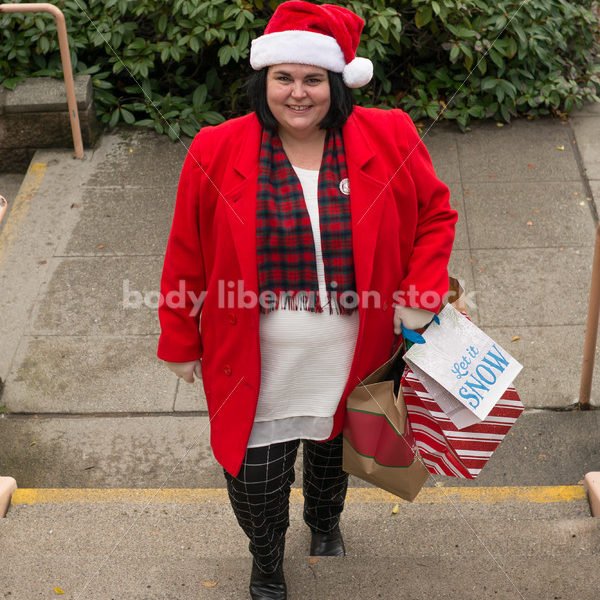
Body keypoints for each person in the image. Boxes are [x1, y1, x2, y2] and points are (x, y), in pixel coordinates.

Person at [157, 2, 457, 598]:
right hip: (255, 363)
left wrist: (422, 294)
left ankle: (325, 524)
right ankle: (266, 561)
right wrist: (177, 339)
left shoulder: (390, 133)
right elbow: (185, 253)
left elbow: (435, 214)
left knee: (330, 458)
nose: (298, 93)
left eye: (312, 79)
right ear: (262, 80)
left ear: (336, 81)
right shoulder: (215, 148)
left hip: (352, 353)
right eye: (284, 78)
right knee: (255, 485)